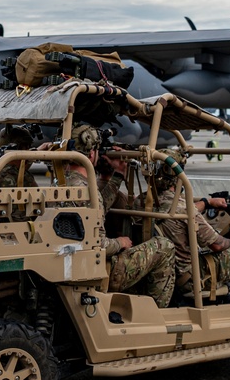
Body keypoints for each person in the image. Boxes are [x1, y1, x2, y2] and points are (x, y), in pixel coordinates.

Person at [60, 124, 176, 308]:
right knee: (164, 247)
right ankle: (155, 313)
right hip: (99, 270)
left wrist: (115, 176)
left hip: (67, 263)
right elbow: (99, 245)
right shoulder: (88, 191)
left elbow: (97, 210)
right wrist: (120, 243)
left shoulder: (59, 183)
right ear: (91, 155)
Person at [153, 148, 230, 304]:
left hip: (167, 274)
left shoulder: (143, 202)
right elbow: (217, 245)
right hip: (193, 276)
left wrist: (207, 202)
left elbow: (177, 211)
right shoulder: (184, 208)